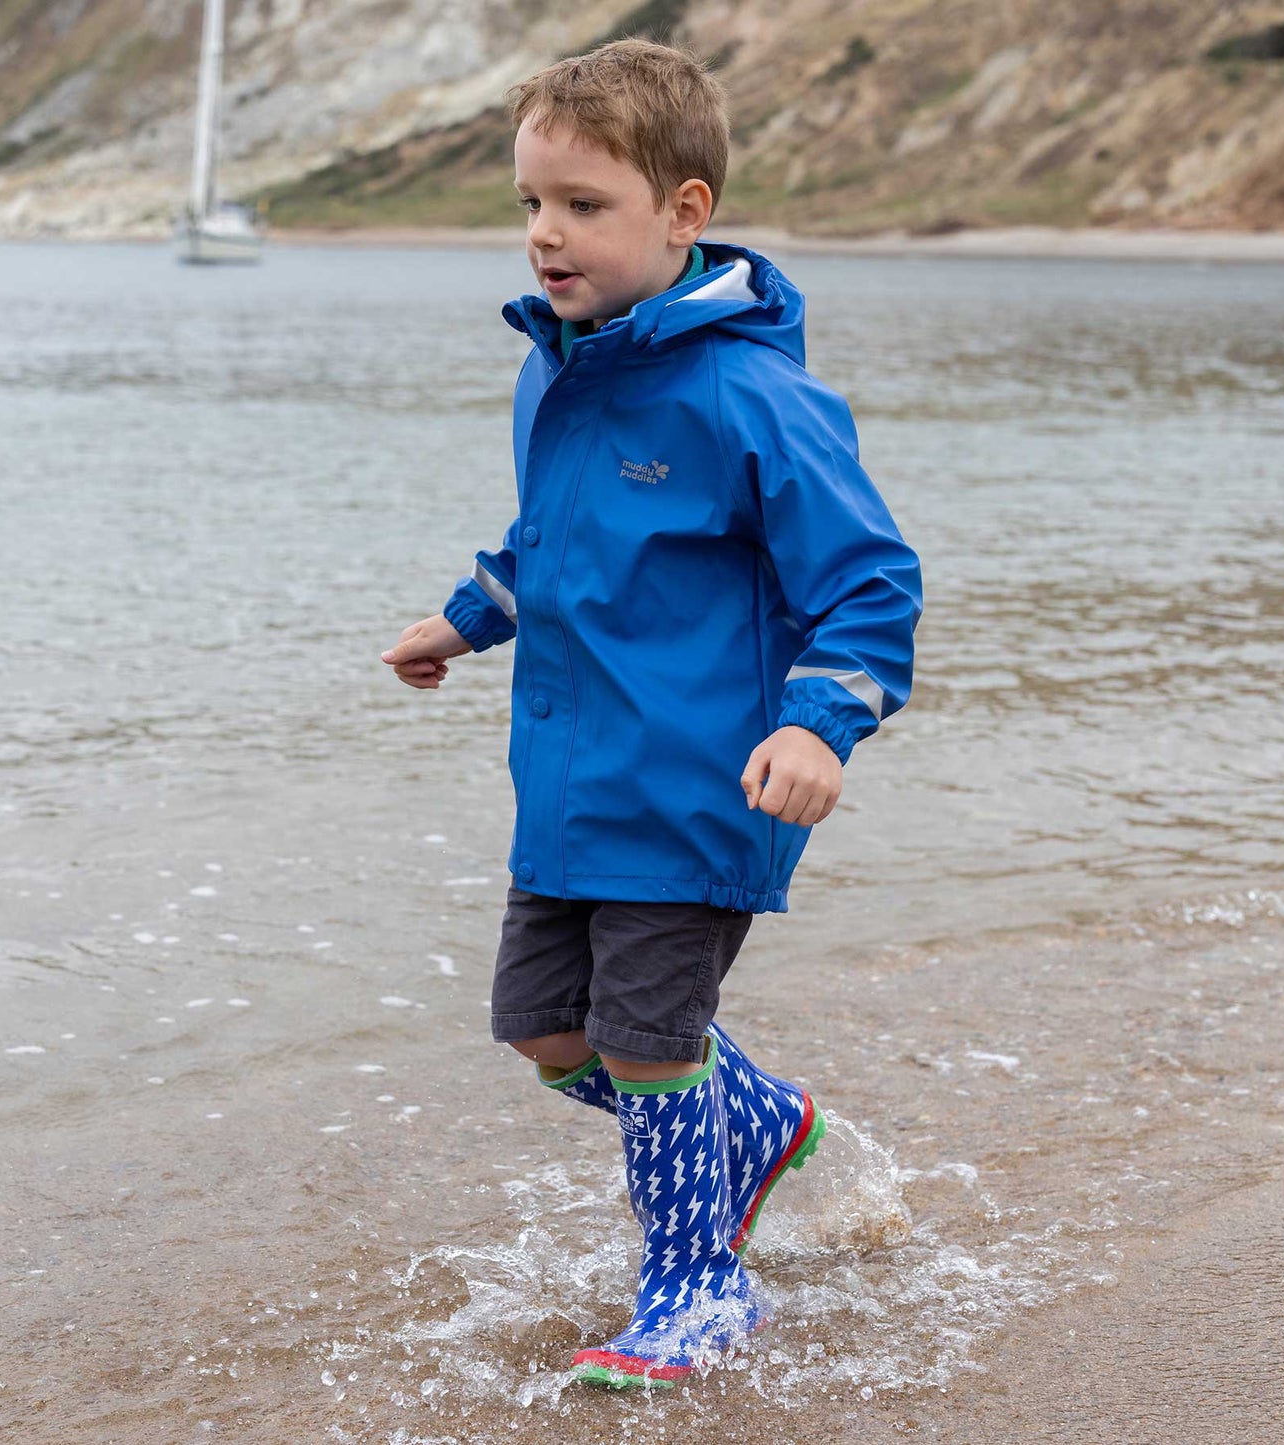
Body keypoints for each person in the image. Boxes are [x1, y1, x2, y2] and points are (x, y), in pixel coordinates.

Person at [381, 38, 922, 1389]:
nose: (543, 236)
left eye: (580, 204)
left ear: (684, 213)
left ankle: (694, 1277)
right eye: (528, 203)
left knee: (642, 1036)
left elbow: (867, 580)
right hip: (569, 781)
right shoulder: (559, 365)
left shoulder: (748, 393)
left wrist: (816, 725)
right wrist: (469, 613)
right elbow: (558, 537)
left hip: (696, 788)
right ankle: (757, 1119)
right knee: (543, 1031)